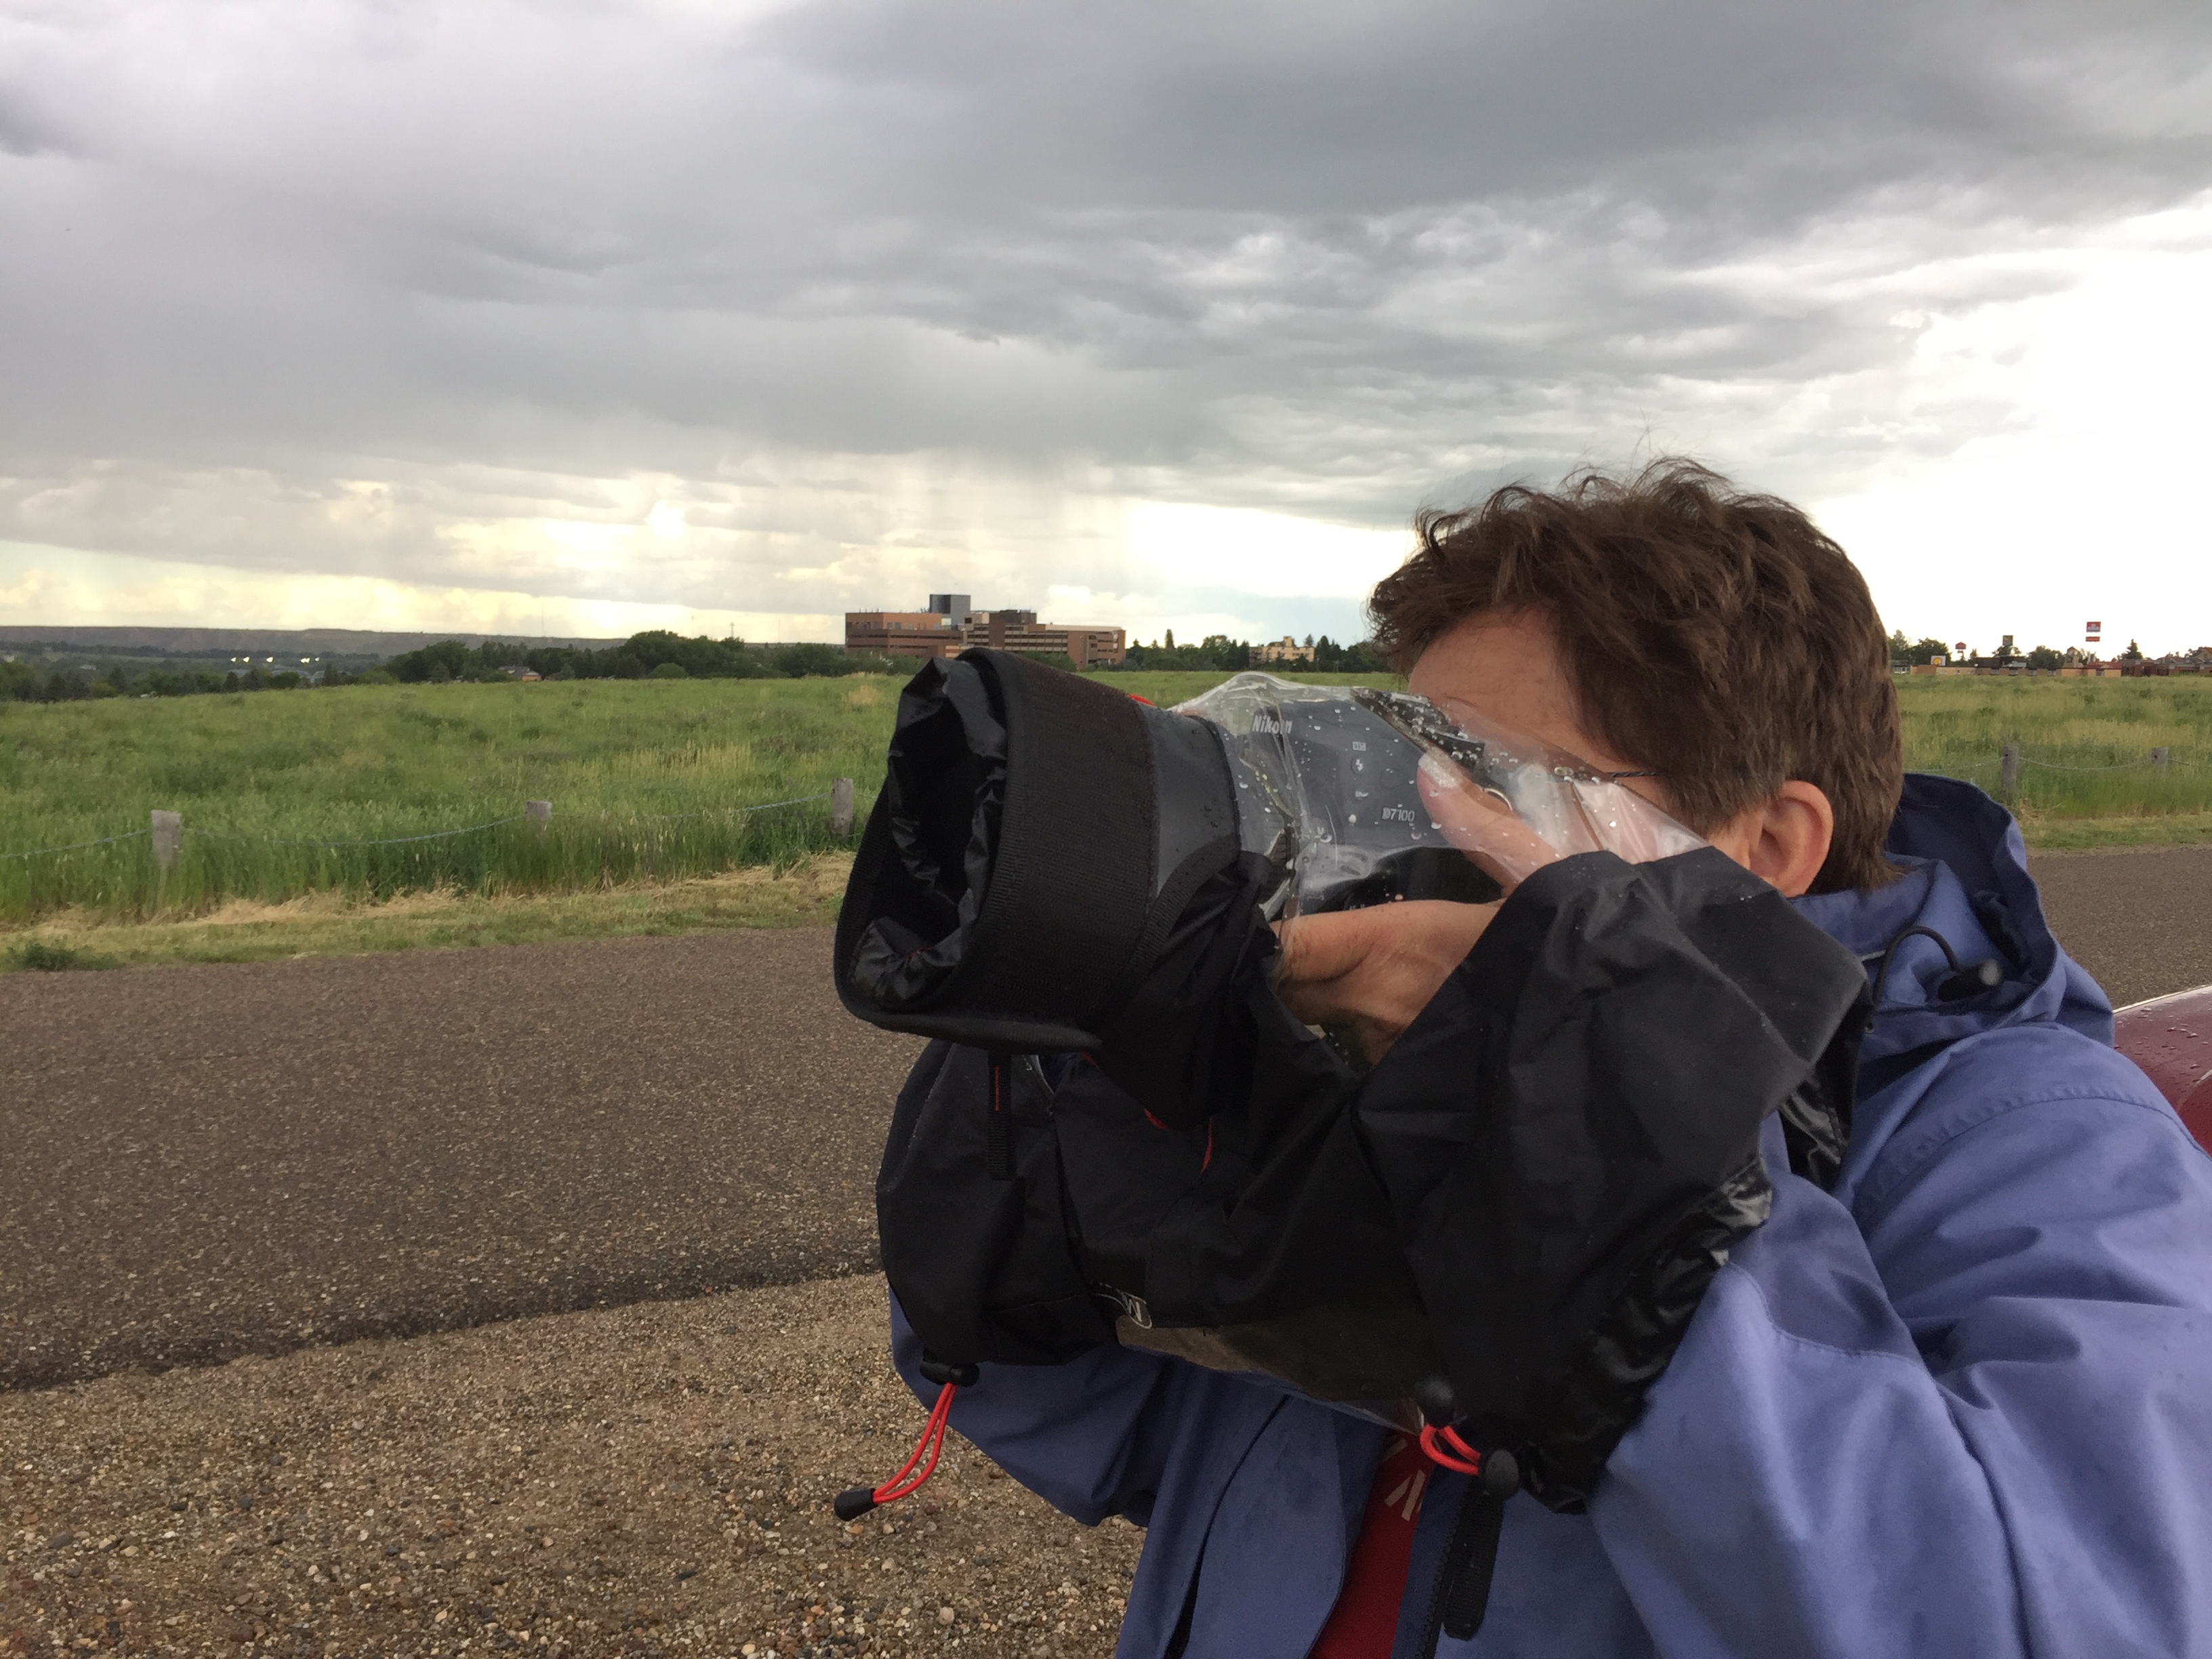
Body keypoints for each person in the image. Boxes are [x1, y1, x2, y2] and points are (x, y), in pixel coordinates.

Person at [885, 460, 2212, 1656]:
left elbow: (2056, 1624)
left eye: (1485, 787)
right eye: (1394, 780)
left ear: (1763, 850)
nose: (1416, 841)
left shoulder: (2020, 1136)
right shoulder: (1415, 1065)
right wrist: (1057, 1136)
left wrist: (1611, 1151)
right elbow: (1158, 1446)